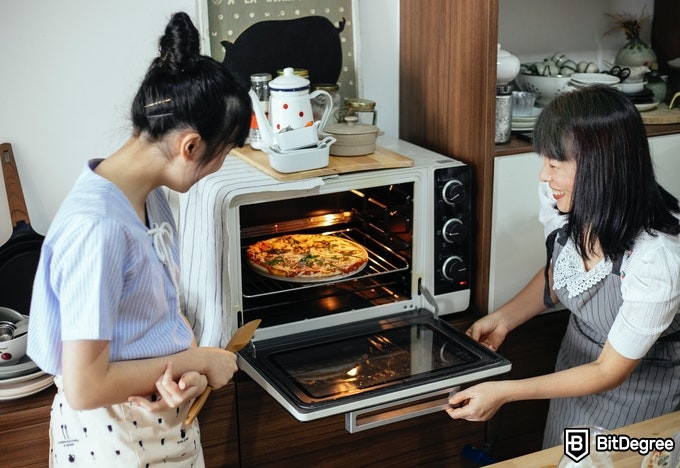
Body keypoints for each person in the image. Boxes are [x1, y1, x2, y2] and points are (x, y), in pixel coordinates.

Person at [26, 12, 251, 466]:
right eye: (222, 153)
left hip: (157, 421)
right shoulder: (99, 227)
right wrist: (201, 361)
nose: (220, 166)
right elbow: (85, 385)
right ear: (190, 147)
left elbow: (144, 326)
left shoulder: (149, 198)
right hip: (113, 439)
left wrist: (183, 374)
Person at [447, 85, 680, 448]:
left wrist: (505, 392)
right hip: (571, 378)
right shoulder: (577, 204)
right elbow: (564, 273)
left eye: (554, 165)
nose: (543, 176)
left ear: (601, 167)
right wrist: (504, 319)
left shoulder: (656, 258)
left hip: (639, 400)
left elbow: (608, 370)